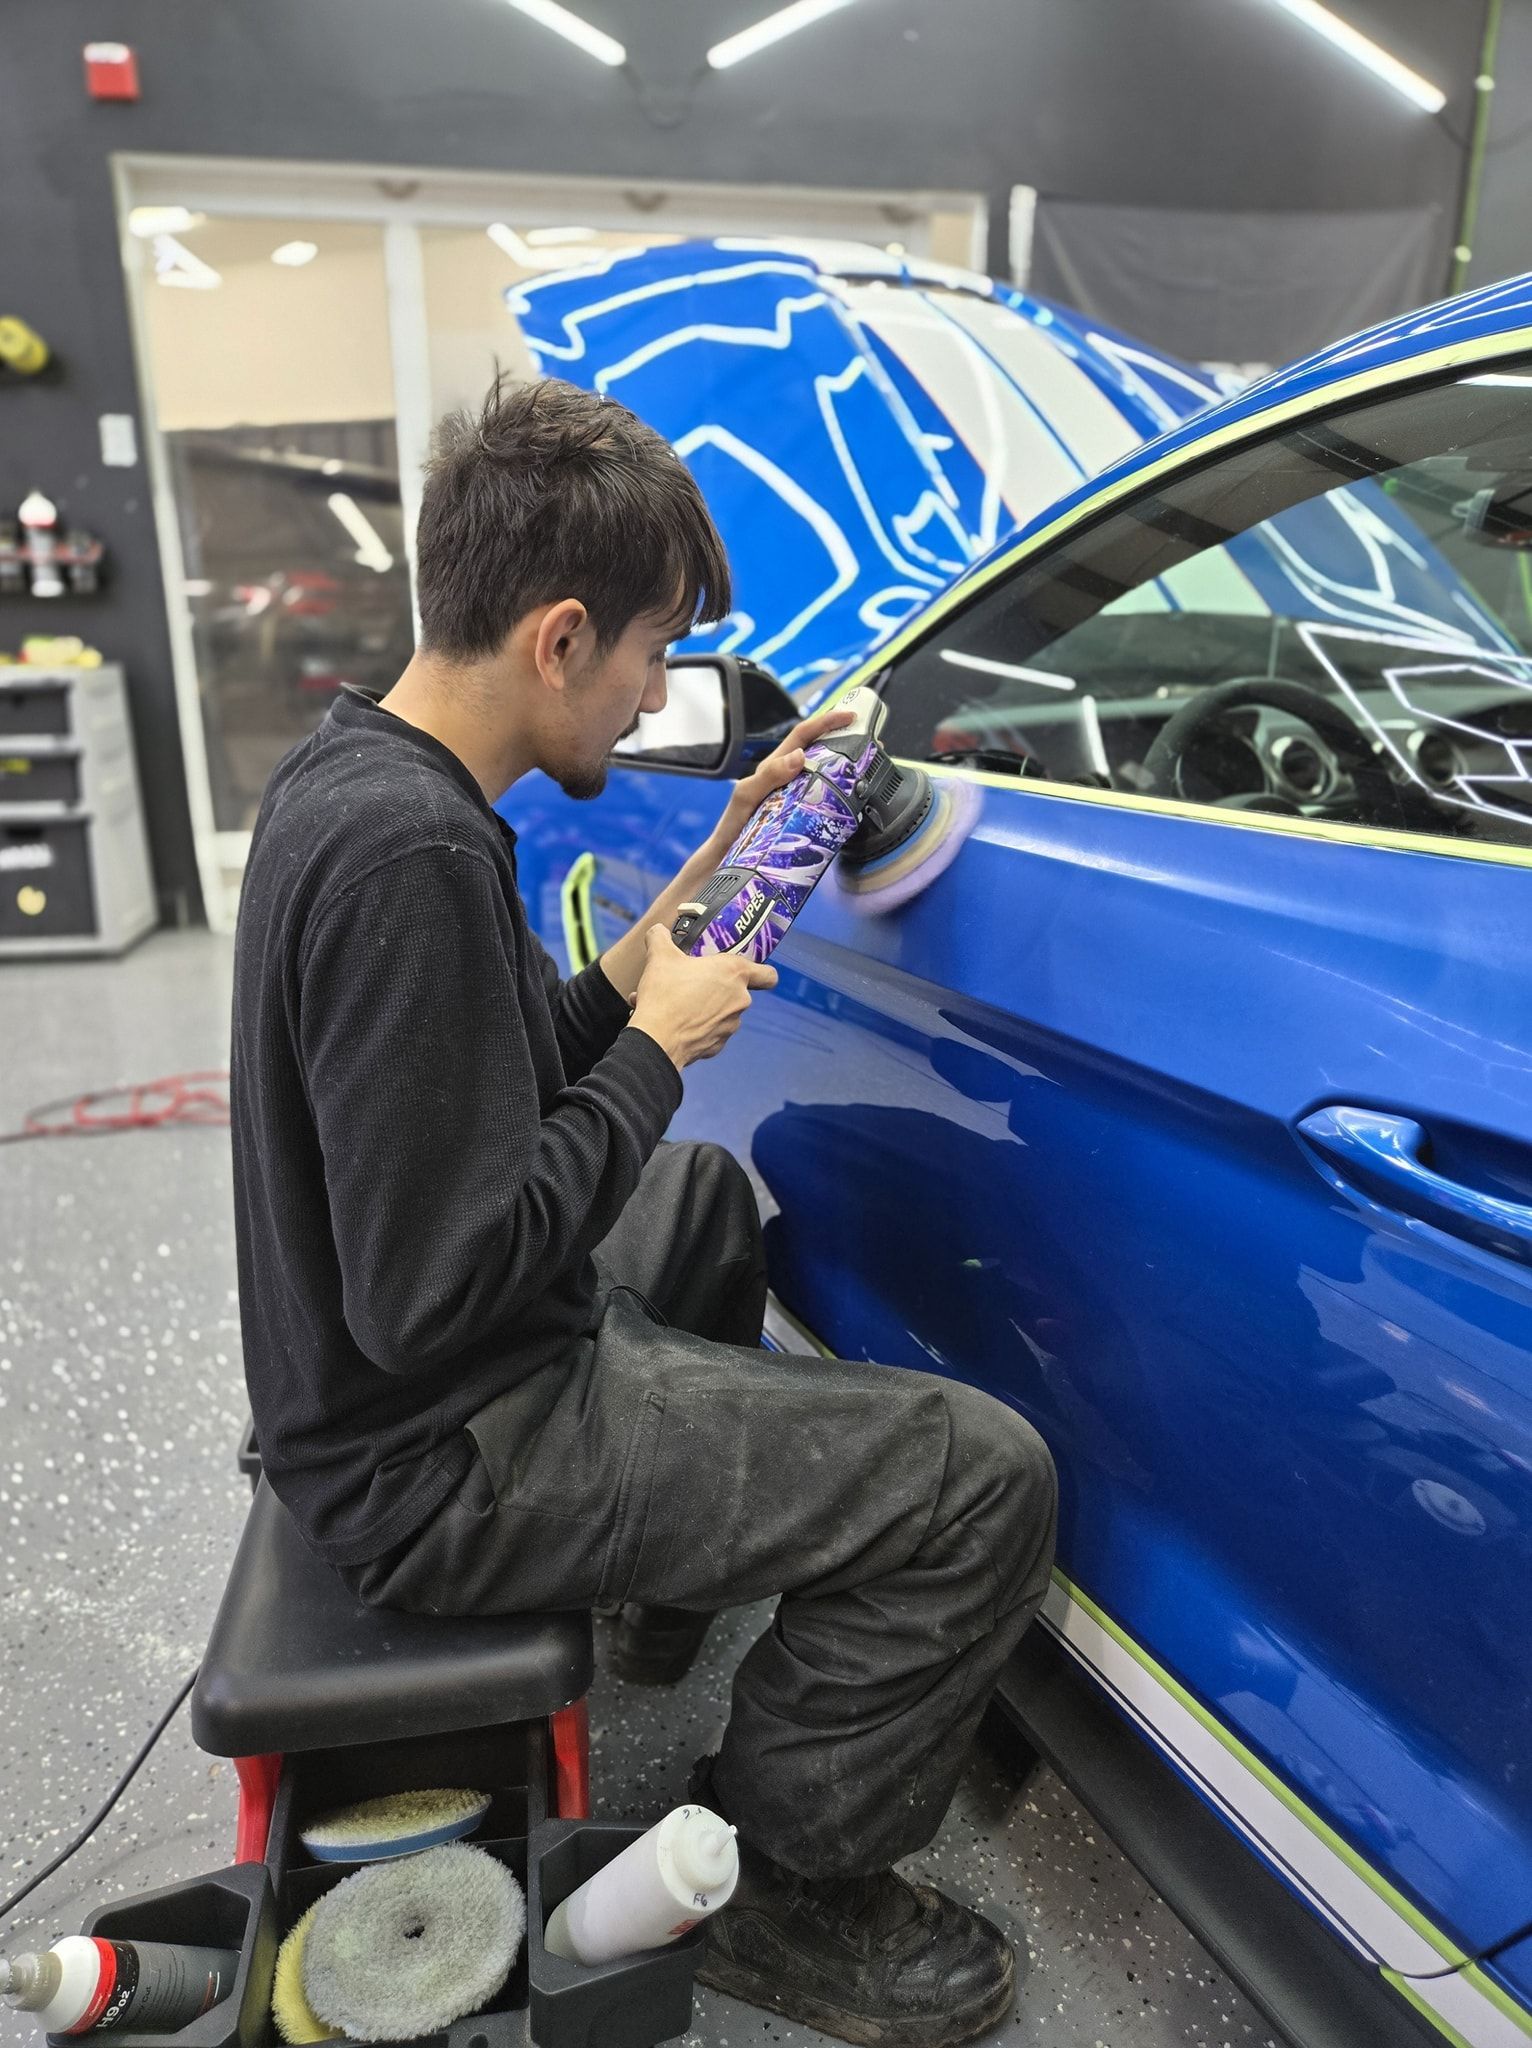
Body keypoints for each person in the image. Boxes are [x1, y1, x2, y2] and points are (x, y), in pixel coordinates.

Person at [230, 373, 1058, 2048]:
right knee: (981, 1476)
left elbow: (499, 1066)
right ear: (555, 639)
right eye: (649, 653)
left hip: (405, 1398)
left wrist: (708, 882)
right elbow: (434, 1285)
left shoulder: (364, 778)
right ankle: (793, 1891)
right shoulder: (414, 861)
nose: (656, 694)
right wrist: (662, 1055)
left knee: (689, 1199)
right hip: (444, 1453)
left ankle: (667, 1583)